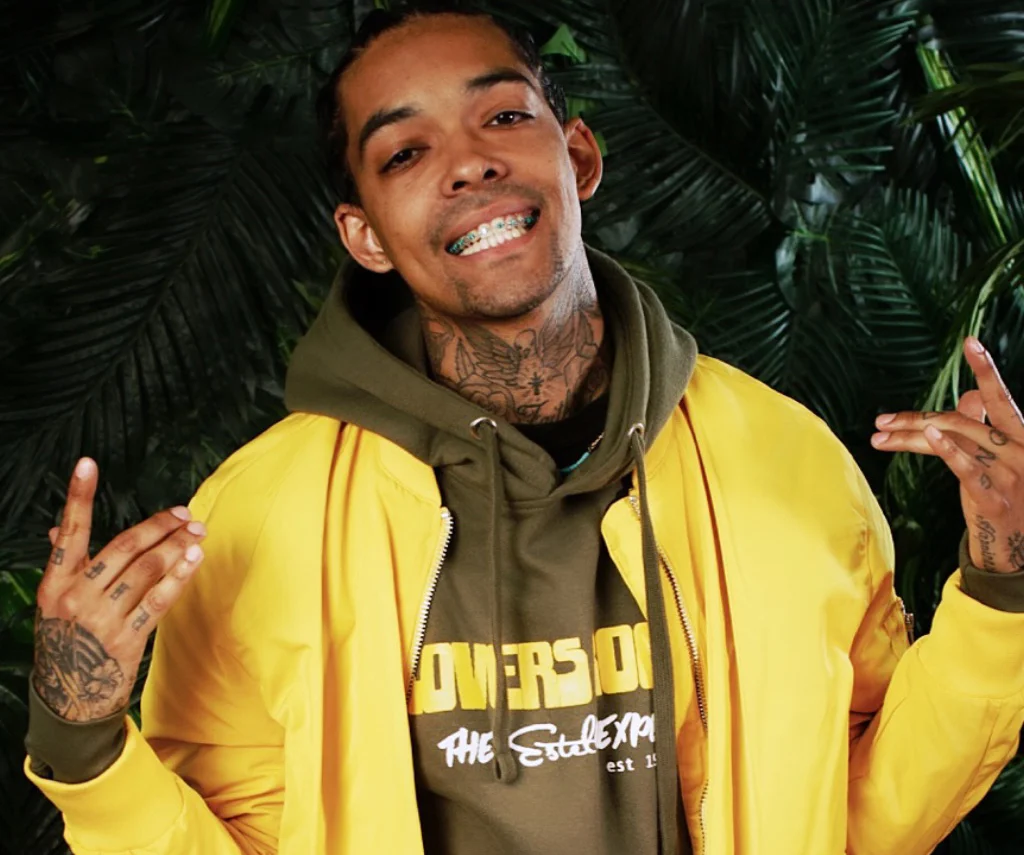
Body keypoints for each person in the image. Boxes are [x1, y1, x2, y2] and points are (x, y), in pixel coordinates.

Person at [23, 6, 1024, 855]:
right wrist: (82, 736)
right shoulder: (263, 513)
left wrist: (1003, 587)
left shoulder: (780, 456)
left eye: (503, 115)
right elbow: (236, 835)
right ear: (366, 236)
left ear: (576, 156)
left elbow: (855, 804)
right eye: (405, 151)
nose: (469, 164)